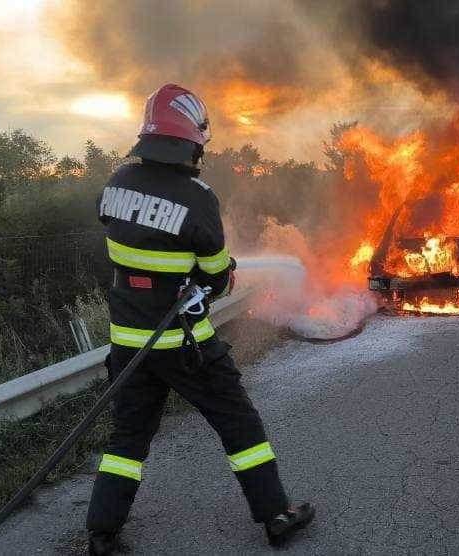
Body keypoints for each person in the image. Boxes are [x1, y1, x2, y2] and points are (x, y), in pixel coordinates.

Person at [86, 84, 314, 555]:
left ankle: (101, 535)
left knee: (127, 439)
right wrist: (215, 272)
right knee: (239, 426)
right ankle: (275, 515)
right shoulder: (197, 197)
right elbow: (215, 278)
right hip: (186, 346)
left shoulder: (115, 186)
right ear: (192, 142)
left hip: (129, 345)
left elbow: (129, 245)